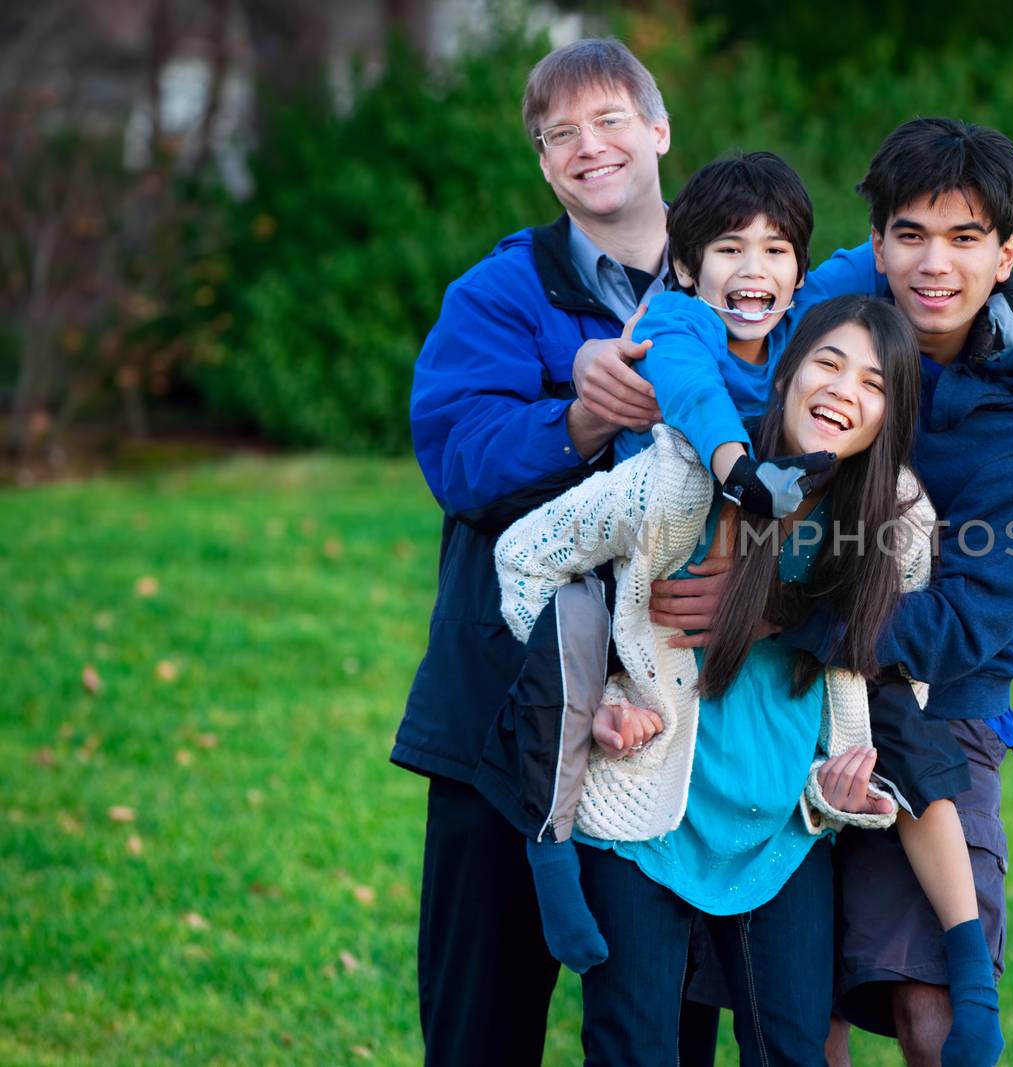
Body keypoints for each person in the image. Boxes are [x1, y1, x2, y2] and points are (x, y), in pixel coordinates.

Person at [649, 118, 1013, 1067]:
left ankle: (967, 974)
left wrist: (783, 612)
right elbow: (699, 315)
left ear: (1006, 254)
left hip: (935, 693)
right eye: (911, 235)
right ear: (877, 240)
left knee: (932, 1019)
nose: (935, 265)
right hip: (777, 680)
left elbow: (968, 622)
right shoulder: (834, 304)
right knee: (802, 1021)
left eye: (967, 239)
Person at [495, 294, 932, 1064]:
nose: (843, 390)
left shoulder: (895, 519)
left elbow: (906, 656)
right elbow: (524, 557)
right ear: (788, 369)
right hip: (643, 817)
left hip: (787, 826)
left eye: (873, 383)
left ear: (888, 416)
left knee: (794, 1050)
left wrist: (850, 772)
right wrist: (586, 700)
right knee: (634, 1050)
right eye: (828, 363)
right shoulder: (678, 475)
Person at [393, 37, 687, 1065]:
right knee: (481, 1026)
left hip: (674, 718)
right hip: (506, 706)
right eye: (558, 134)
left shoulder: (733, 277)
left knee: (664, 1030)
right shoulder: (499, 292)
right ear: (544, 166)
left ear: (657, 130)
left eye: (609, 120)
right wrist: (579, 417)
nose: (586, 146)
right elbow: (461, 458)